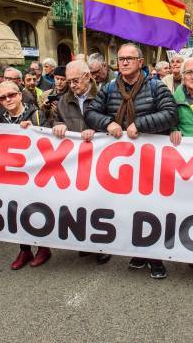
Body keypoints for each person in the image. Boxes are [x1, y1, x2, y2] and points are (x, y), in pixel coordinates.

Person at [85, 43, 178, 279]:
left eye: (129, 58)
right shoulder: (107, 89)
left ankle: (156, 259)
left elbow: (170, 114)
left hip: (149, 161)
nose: (124, 62)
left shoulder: (156, 87)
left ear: (140, 62)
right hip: (121, 163)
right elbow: (91, 113)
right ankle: (138, 253)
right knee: (128, 209)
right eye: (121, 59)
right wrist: (108, 123)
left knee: (151, 210)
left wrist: (141, 124)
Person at [0, 81, 52, 270]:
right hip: (11, 174)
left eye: (11, 95)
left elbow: (49, 140)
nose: (8, 100)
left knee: (37, 209)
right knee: (16, 211)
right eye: (3, 97)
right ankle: (24, 249)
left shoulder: (36, 114)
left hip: (34, 174)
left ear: (20, 95)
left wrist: (35, 131)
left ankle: (43, 248)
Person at [50, 61, 112, 265]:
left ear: (88, 76)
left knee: (99, 203)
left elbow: (113, 121)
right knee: (78, 203)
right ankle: (85, 243)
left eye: (76, 80)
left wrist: (97, 130)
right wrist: (57, 124)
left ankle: (102, 245)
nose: (73, 85)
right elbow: (55, 119)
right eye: (69, 82)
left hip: (99, 158)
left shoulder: (104, 96)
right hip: (75, 161)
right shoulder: (62, 101)